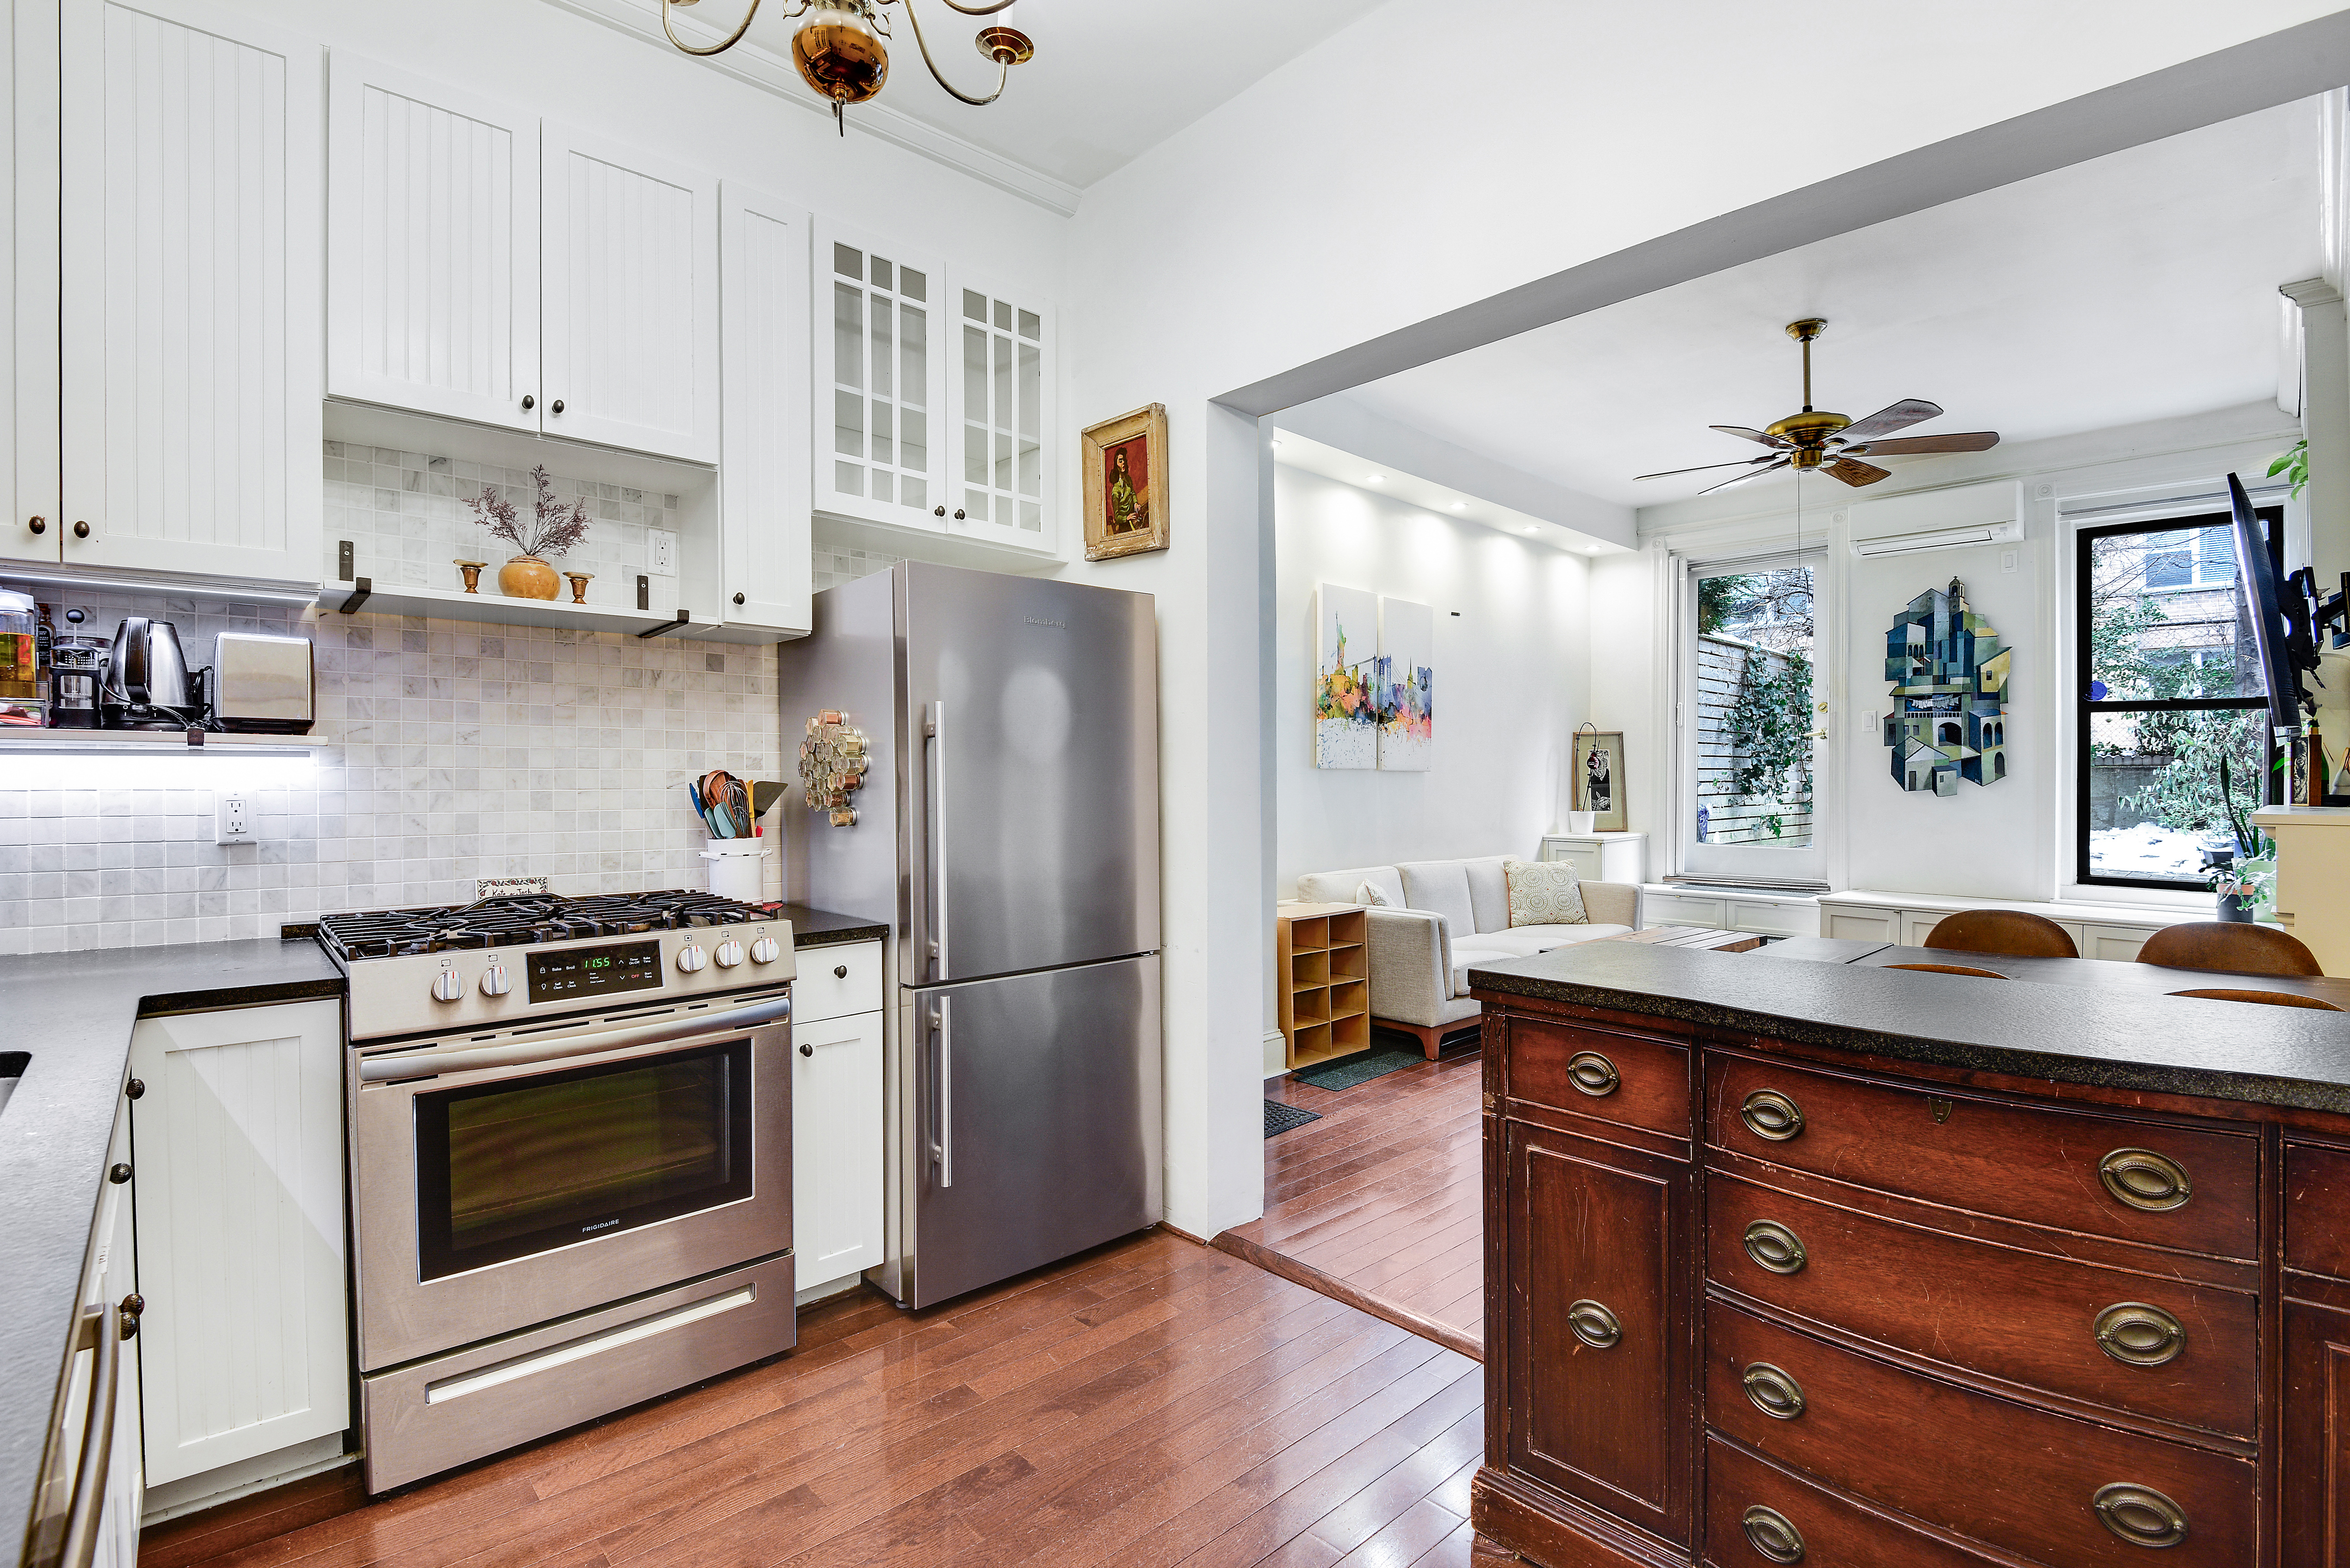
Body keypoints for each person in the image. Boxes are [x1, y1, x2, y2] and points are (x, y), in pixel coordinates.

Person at [1107, 446, 1143, 534]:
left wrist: (1135, 503)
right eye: (1120, 461)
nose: (1124, 463)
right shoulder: (1116, 491)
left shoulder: (1128, 479)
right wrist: (1127, 518)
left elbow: (1133, 493)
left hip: (1134, 517)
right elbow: (1117, 517)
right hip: (1126, 525)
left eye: (1124, 460)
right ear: (1116, 465)